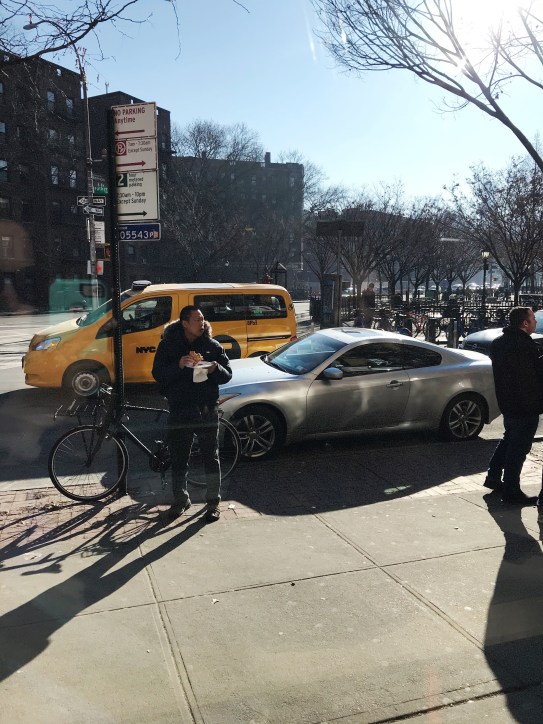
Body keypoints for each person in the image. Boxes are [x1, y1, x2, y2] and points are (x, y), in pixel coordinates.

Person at [152, 305, 232, 522]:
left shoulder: (212, 346)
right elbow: (157, 373)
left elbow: (227, 375)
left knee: (211, 457)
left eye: (203, 319)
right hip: (180, 409)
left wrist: (215, 368)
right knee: (179, 458)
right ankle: (181, 500)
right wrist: (178, 365)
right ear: (185, 323)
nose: (202, 323)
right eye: (197, 319)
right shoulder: (168, 345)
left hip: (206, 409)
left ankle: (213, 503)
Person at [485, 306, 543, 505]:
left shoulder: (499, 343)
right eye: (533, 318)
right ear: (525, 323)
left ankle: (493, 476)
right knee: (518, 448)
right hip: (525, 404)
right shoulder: (524, 345)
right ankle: (511, 490)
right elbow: (530, 376)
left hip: (508, 402)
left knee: (509, 439)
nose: (535, 321)